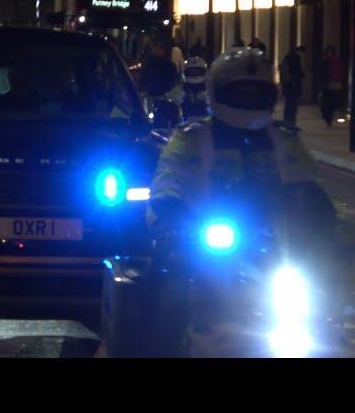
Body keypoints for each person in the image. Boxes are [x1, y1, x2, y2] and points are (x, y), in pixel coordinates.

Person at [147, 48, 339, 306]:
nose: (250, 102)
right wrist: (170, 211)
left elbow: (307, 184)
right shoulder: (193, 137)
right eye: (241, 94)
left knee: (319, 299)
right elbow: (170, 177)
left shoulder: (284, 139)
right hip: (202, 240)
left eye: (258, 94)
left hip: (271, 242)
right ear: (218, 93)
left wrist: (321, 217)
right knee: (171, 292)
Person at [279, 45, 306, 129]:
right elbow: (298, 73)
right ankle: (291, 124)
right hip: (293, 86)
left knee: (288, 105)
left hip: (287, 86)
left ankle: (287, 123)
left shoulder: (287, 58)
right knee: (292, 106)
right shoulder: (296, 59)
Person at [320, 45, 344, 127]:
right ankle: (327, 118)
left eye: (330, 51)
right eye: (328, 51)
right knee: (325, 102)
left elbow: (339, 72)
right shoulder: (325, 61)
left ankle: (329, 119)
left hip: (333, 84)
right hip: (326, 84)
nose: (329, 53)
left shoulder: (335, 61)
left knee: (331, 103)